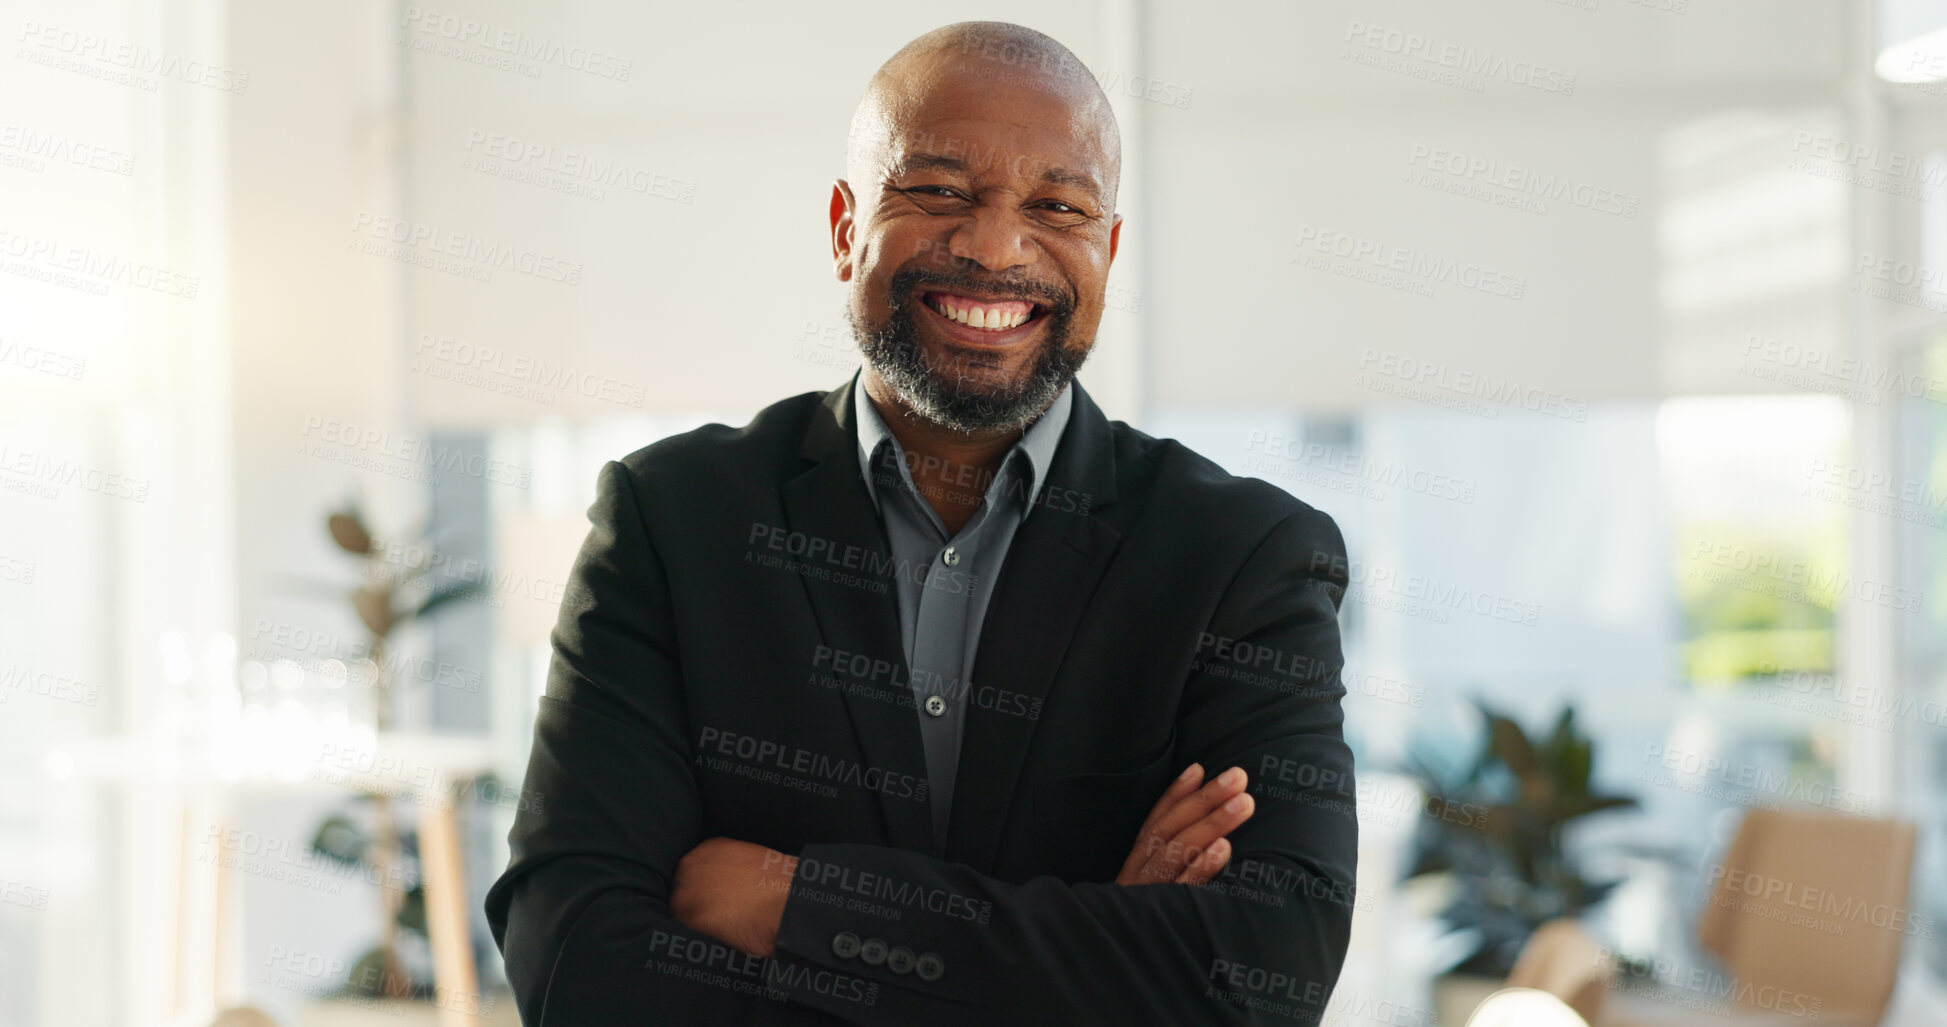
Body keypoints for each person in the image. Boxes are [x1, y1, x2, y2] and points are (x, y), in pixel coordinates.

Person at [485, 21, 1358, 1025]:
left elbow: (1265, 973)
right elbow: (576, 963)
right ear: (843, 226)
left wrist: (801, 904)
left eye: (1057, 205)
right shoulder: (673, 521)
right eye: (939, 190)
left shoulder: (1243, 562)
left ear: (1107, 252)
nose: (995, 247)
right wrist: (1100, 944)